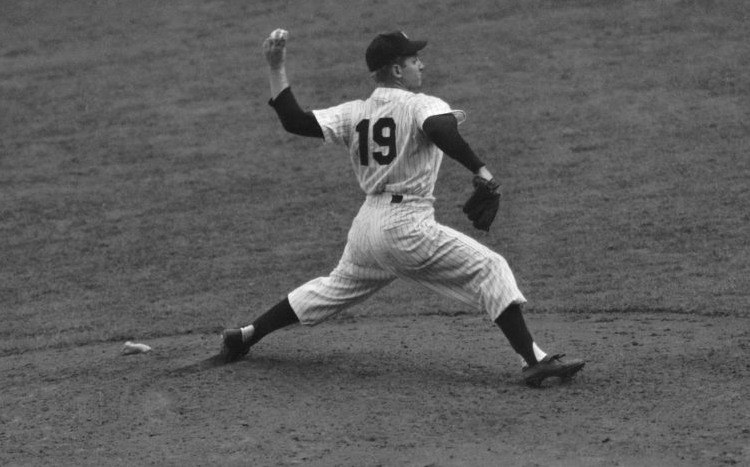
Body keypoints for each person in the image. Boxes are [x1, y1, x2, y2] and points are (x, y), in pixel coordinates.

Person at [218, 28, 586, 387]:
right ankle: (533, 361)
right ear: (396, 70)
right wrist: (481, 170)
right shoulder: (421, 104)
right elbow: (442, 130)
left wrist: (275, 66)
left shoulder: (354, 112)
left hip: (367, 227)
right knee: (490, 267)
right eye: (414, 59)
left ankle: (246, 335)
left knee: (332, 289)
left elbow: (293, 120)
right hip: (406, 226)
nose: (421, 65)